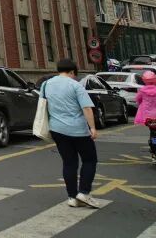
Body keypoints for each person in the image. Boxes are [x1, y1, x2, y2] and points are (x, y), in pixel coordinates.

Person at [43, 58, 100, 209]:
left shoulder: (46, 84)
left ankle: (72, 197)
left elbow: (44, 104)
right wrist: (93, 128)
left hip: (57, 129)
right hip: (78, 130)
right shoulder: (76, 85)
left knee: (69, 163)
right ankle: (84, 192)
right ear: (72, 72)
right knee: (89, 160)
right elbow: (86, 108)